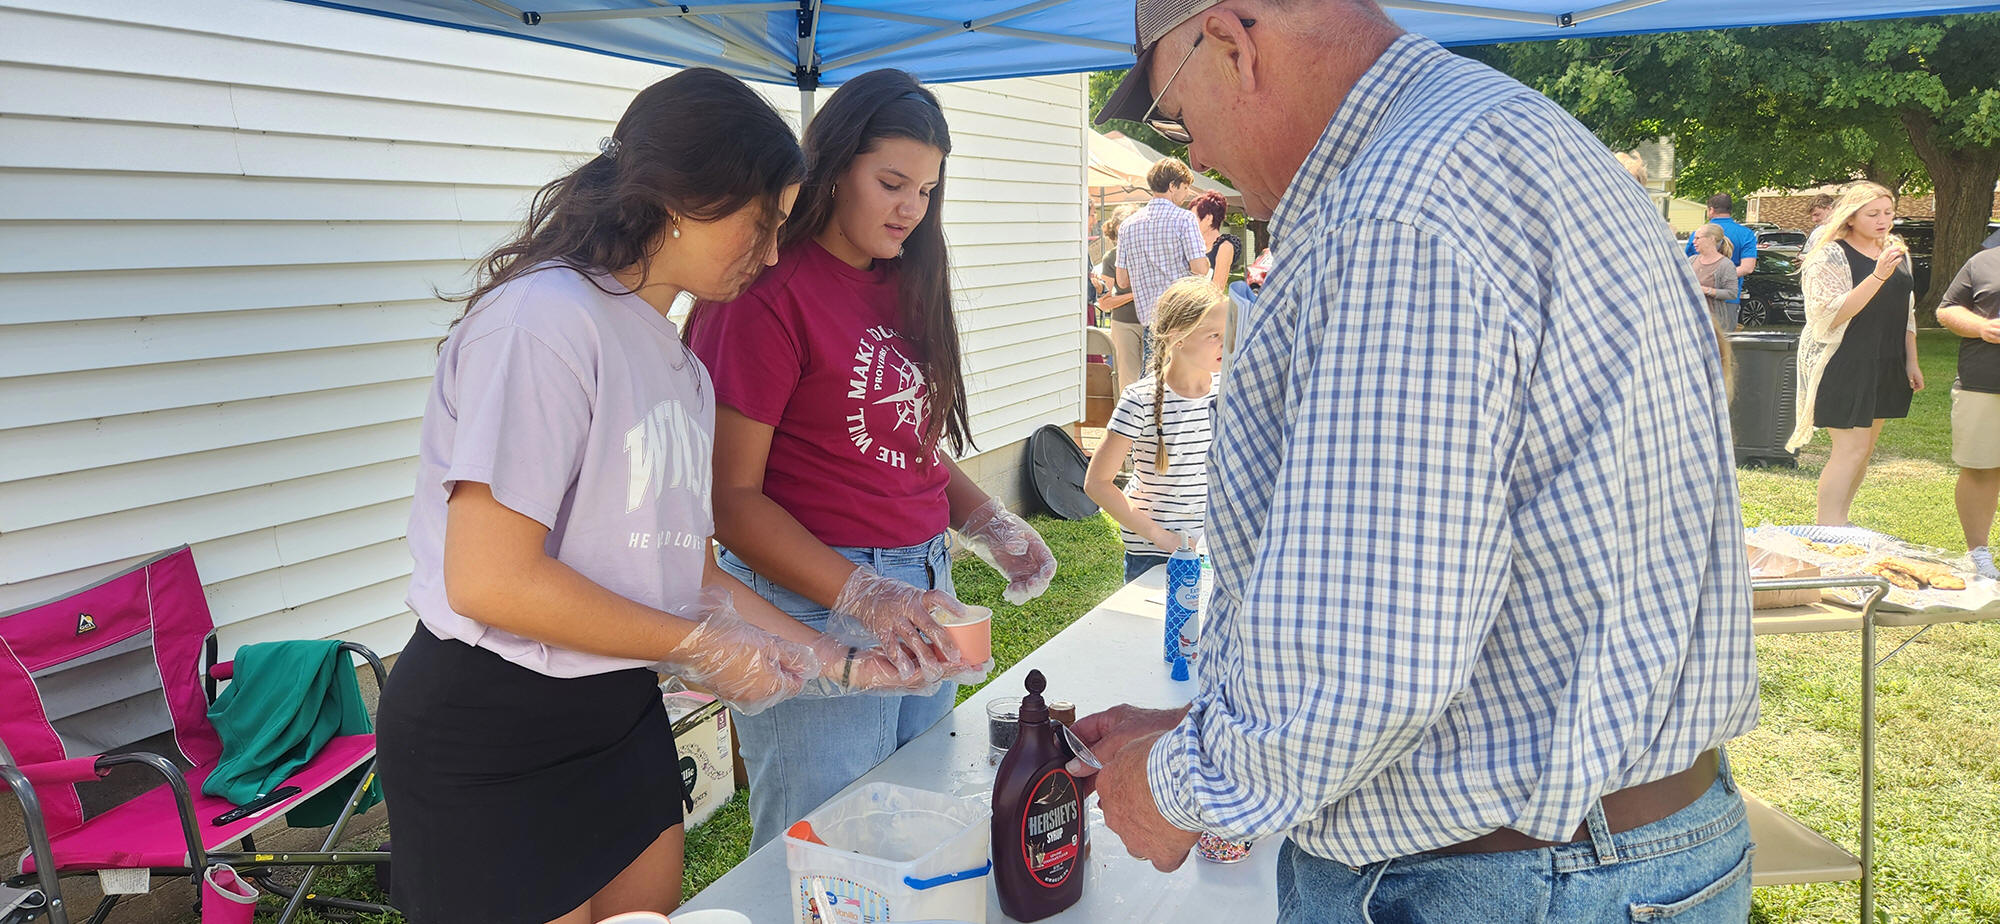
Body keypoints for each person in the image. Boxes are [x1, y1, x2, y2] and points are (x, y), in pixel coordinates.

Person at [1081, 1, 1758, 919]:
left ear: (1233, 42)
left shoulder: (1395, 210)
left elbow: (1365, 654)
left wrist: (1177, 789)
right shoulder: (1504, 133)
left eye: (1173, 111)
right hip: (1614, 846)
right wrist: (1224, 721)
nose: (1193, 149)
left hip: (1504, 879)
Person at [375, 69, 926, 924]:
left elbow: (689, 573)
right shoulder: (545, 319)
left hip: (620, 710)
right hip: (493, 722)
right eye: (762, 224)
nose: (771, 254)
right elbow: (489, 580)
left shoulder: (681, 368)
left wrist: (838, 659)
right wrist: (700, 648)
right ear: (685, 198)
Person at [684, 69, 1057, 850]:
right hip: (812, 592)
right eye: (891, 183)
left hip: (924, 580)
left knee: (913, 818)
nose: (911, 209)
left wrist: (986, 520)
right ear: (832, 167)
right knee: (826, 841)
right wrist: (860, 591)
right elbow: (731, 502)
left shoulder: (899, 276)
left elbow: (903, 440)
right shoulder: (763, 293)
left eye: (926, 190)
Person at [1786, 182, 1922, 526]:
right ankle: (1827, 527)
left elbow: (1906, 310)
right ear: (1850, 216)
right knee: (1850, 449)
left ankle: (1841, 523)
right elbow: (1828, 314)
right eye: (1872, 214)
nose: (1883, 220)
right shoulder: (1831, 254)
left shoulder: (1895, 249)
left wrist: (1912, 360)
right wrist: (1878, 275)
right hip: (1845, 360)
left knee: (1864, 451)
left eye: (1888, 213)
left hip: (1886, 361)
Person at [1082, 278, 1228, 582]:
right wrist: (1162, 537)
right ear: (1178, 337)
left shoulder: (1228, 392)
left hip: (1211, 552)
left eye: (1228, 333)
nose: (1225, 343)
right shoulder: (1139, 400)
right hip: (1151, 555)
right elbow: (1097, 483)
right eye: (1214, 335)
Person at [1933, 244, 2000, 579]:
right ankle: (1978, 555)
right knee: (1980, 469)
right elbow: (1947, 310)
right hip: (1983, 383)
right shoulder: (1984, 261)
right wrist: (1981, 327)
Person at [1117, 157, 1212, 366]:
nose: (1187, 193)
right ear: (1172, 186)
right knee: (1184, 378)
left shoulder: (1127, 225)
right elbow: (1199, 269)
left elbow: (1122, 281)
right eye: (1185, 187)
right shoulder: (1184, 219)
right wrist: (1205, 261)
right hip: (1182, 317)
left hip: (1150, 323)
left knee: (1154, 377)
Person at [1097, 204, 1145, 393]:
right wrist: (1135, 294)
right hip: (1125, 324)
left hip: (1153, 322)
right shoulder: (1111, 258)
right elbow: (1104, 302)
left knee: (1155, 378)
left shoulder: (1150, 251)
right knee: (1128, 379)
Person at [1683, 193, 1758, 305]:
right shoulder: (1746, 234)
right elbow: (1747, 268)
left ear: (1711, 210)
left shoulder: (1698, 234)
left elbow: (1685, 266)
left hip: (1700, 297)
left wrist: (1709, 280)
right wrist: (1722, 279)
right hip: (1728, 298)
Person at [1689, 222, 1739, 331]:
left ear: (1711, 239)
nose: (1693, 242)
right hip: (1691, 321)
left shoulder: (1726, 265)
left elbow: (1732, 293)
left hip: (1713, 325)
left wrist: (1707, 290)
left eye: (1697, 238)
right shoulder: (1691, 260)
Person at [1191, 190, 1241, 290]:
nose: (1189, 222)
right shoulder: (1193, 243)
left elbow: (1218, 287)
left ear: (1208, 219)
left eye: (1193, 218)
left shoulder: (1225, 246)